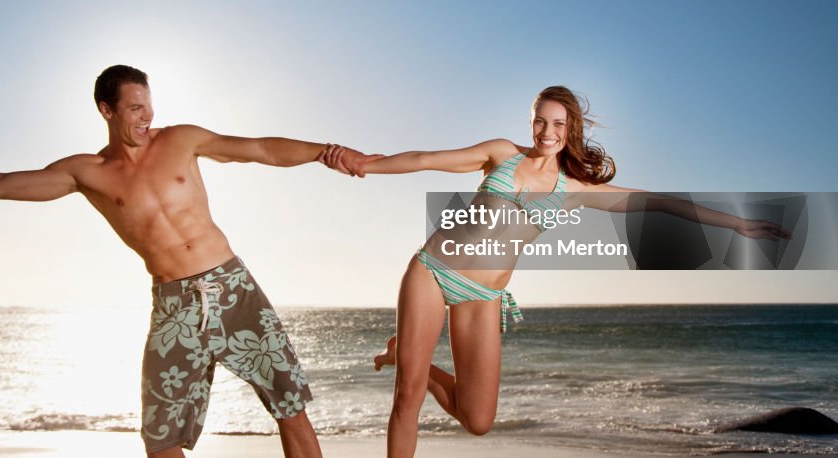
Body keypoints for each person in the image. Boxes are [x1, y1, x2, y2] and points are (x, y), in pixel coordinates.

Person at [0, 64, 372, 458]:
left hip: (232, 287)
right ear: (107, 110)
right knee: (160, 437)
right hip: (174, 307)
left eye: (149, 105)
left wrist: (325, 151)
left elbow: (258, 148)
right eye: (135, 108)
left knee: (288, 404)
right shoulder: (86, 172)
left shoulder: (182, 140)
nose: (147, 116)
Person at [320, 85, 790, 458]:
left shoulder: (575, 189)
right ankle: (410, 367)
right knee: (408, 399)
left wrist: (737, 224)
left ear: (571, 130)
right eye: (540, 120)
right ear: (531, 121)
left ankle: (406, 354)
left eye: (558, 123)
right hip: (434, 270)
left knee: (478, 420)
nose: (547, 130)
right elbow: (426, 159)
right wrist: (366, 164)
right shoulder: (501, 154)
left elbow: (659, 203)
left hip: (482, 296)